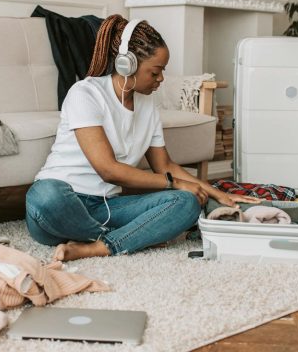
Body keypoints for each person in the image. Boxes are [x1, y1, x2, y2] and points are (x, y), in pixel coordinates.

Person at [25, 15, 258, 261]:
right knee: (44, 195)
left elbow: (165, 166)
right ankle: (129, 237)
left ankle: (101, 246)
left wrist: (215, 193)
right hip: (61, 205)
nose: (161, 79)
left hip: (107, 207)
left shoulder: (147, 105)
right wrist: (174, 183)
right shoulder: (85, 93)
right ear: (127, 65)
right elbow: (108, 170)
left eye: (163, 71)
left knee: (186, 202)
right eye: (155, 72)